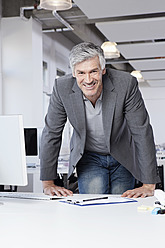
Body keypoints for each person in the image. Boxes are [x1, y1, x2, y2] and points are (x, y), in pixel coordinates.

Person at [40, 42, 160, 198]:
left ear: (103, 70)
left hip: (122, 154)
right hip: (89, 157)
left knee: (121, 205)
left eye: (93, 71)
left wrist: (148, 185)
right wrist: (48, 183)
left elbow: (141, 131)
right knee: (93, 205)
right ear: (74, 73)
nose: (88, 80)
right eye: (81, 73)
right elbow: (51, 133)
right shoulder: (61, 87)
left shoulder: (125, 84)